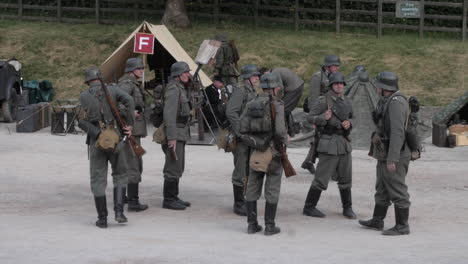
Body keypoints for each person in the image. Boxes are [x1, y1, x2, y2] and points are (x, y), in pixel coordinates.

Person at [78, 66, 135, 228]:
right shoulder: (113, 89)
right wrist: (129, 124)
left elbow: (81, 121)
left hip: (96, 141)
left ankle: (102, 218)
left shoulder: (83, 96)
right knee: (121, 174)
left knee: (98, 179)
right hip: (115, 138)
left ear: (88, 81)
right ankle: (119, 213)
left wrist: (97, 134)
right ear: (100, 78)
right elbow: (130, 101)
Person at [359, 71, 411, 236]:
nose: (376, 88)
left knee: (397, 188)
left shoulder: (396, 102)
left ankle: (402, 226)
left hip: (394, 154)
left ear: (384, 87)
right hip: (384, 152)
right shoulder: (386, 100)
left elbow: (397, 133)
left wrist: (392, 159)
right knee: (382, 187)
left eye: (378, 85)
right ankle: (377, 220)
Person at [302, 72, 356, 219]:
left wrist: (350, 123)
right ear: (331, 85)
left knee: (346, 178)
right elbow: (309, 118)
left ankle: (347, 208)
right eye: (336, 83)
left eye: (341, 83)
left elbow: (354, 117)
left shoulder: (348, 101)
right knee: (321, 178)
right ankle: (309, 207)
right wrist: (322, 118)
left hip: (344, 143)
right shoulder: (323, 101)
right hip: (328, 143)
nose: (339, 86)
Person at [242, 73, 288, 236]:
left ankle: (252, 224)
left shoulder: (251, 103)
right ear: (276, 88)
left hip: (256, 150)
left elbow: (242, 127)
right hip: (274, 151)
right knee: (272, 187)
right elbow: (281, 131)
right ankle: (270, 226)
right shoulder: (278, 105)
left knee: (253, 185)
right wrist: (285, 140)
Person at [225, 64, 260, 216]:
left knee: (247, 168)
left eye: (257, 76)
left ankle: (244, 199)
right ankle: (238, 203)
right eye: (254, 76)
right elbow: (231, 112)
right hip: (241, 138)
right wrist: (240, 131)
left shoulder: (252, 91)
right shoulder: (241, 91)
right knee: (240, 170)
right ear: (247, 78)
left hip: (249, 137)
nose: (257, 78)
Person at [160, 61, 192, 210]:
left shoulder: (180, 88)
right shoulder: (173, 89)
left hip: (181, 132)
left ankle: (174, 196)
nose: (188, 75)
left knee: (178, 165)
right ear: (178, 74)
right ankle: (168, 199)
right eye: (186, 72)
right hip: (175, 133)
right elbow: (169, 114)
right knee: (173, 165)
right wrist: (171, 137)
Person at [302, 55, 341, 174]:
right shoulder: (317, 76)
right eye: (335, 65)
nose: (337, 68)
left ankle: (309, 161)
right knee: (320, 137)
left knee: (323, 136)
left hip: (331, 110)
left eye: (337, 66)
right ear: (328, 66)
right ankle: (314, 162)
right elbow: (313, 98)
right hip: (320, 111)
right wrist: (314, 118)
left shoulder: (333, 76)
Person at [118, 57, 148, 212]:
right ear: (131, 70)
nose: (142, 70)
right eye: (139, 68)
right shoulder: (126, 84)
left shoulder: (133, 84)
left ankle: (123, 197)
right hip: (129, 129)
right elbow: (118, 104)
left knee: (133, 164)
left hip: (134, 130)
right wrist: (131, 113)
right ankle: (133, 202)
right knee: (133, 166)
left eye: (142, 68)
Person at [259, 67, 304, 137]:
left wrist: (276, 100)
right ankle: (290, 131)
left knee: (282, 109)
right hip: (294, 86)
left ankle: (288, 131)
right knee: (285, 108)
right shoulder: (275, 71)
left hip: (294, 88)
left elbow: (280, 88)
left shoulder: (274, 73)